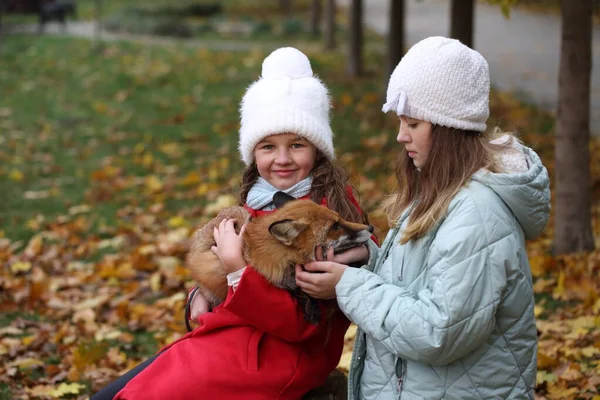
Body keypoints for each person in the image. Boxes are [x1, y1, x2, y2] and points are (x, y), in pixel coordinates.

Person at [91, 47, 378, 400]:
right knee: (109, 395)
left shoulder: (327, 216)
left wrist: (237, 270)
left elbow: (298, 325)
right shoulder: (257, 200)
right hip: (236, 335)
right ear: (253, 153)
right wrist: (203, 293)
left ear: (317, 149)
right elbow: (230, 275)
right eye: (268, 147)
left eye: (297, 144)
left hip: (279, 356)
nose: (283, 159)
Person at [295, 36, 551, 400]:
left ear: (447, 127)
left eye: (413, 123)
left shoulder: (477, 214)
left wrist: (347, 286)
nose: (401, 136)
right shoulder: (442, 190)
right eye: (401, 122)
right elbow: (419, 285)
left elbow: (439, 331)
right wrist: (367, 261)